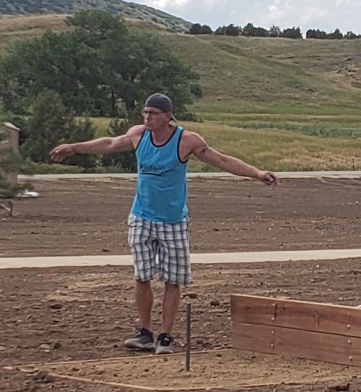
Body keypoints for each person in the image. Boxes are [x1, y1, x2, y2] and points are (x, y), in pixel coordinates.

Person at [50, 93, 279, 355]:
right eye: (145, 112)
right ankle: (144, 332)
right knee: (142, 275)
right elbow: (110, 143)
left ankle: (165, 335)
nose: (147, 117)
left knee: (172, 279)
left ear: (168, 116)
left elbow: (222, 160)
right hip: (141, 217)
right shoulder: (138, 135)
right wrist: (74, 148)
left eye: (153, 113)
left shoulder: (187, 140)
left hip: (173, 221)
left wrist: (257, 173)